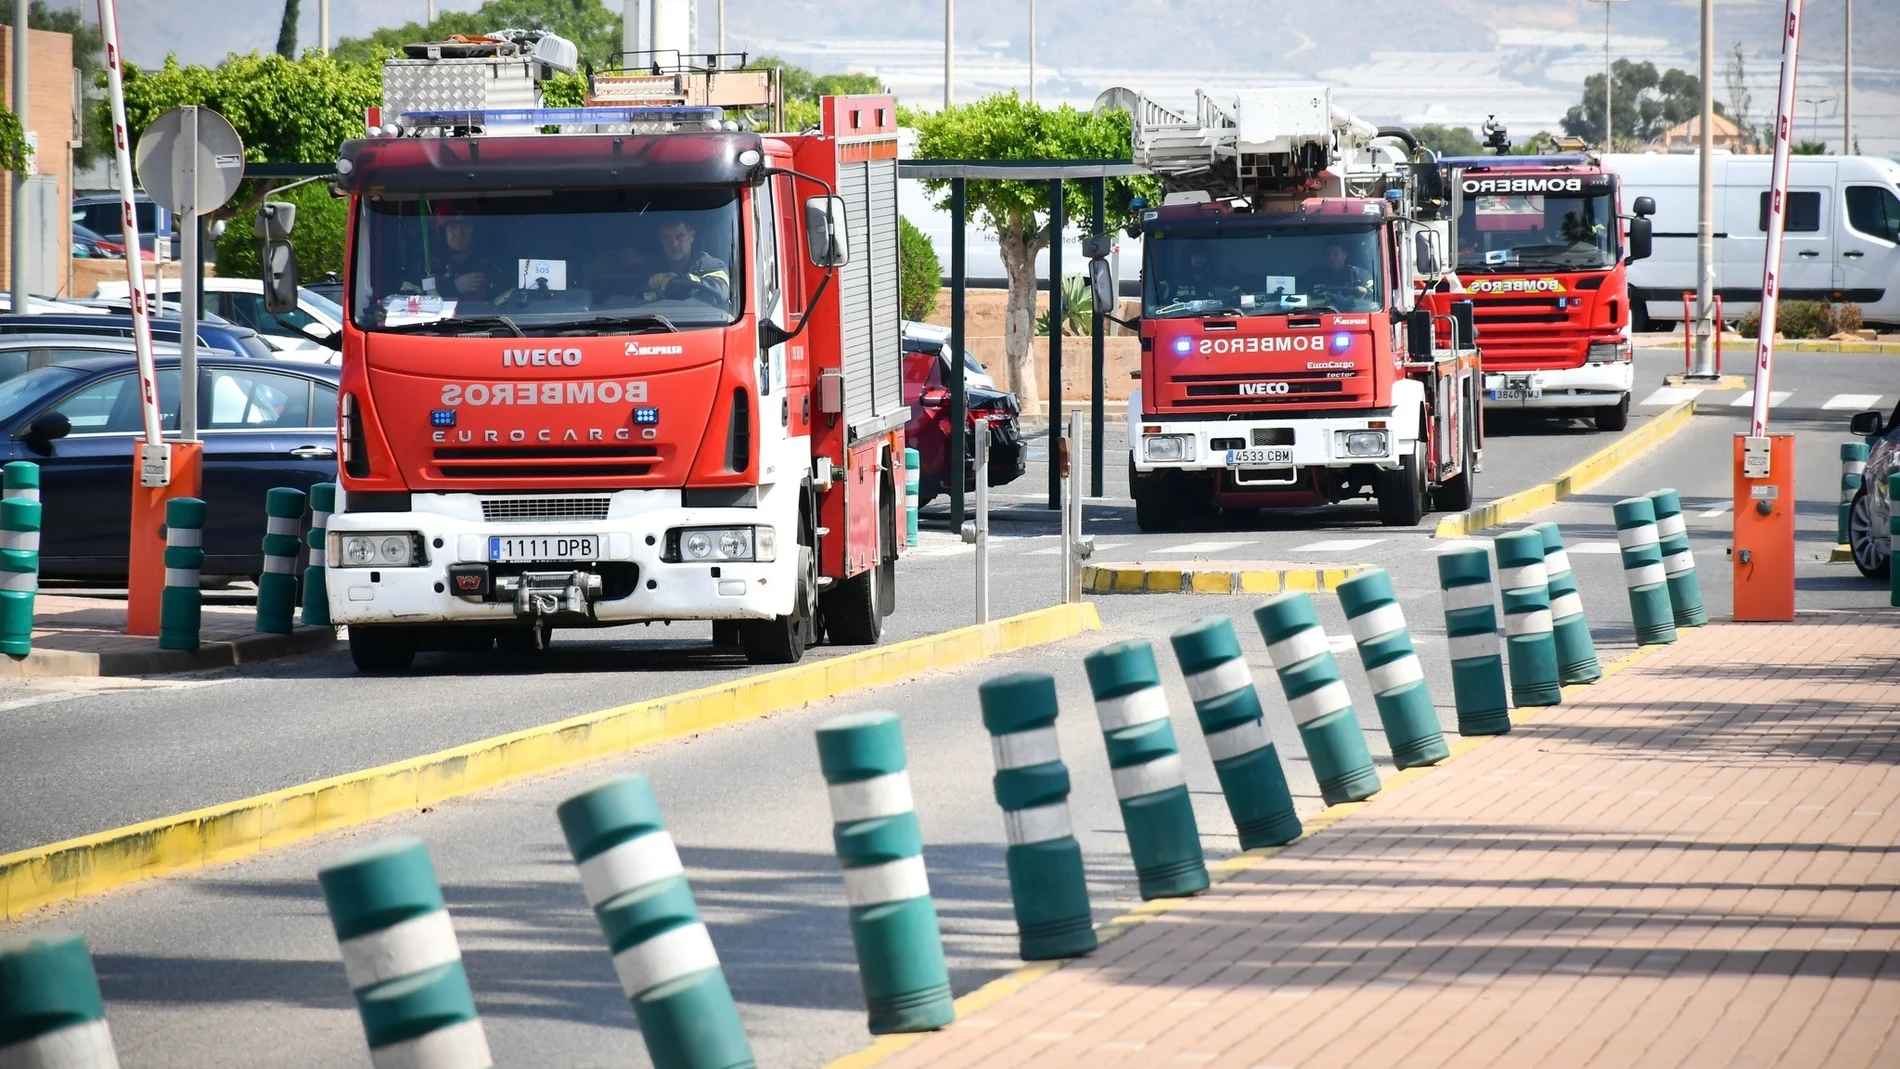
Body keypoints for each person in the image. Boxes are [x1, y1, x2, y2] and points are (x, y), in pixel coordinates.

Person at [643, 218, 731, 304]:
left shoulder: (712, 266)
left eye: (680, 236)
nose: (674, 244)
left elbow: (721, 289)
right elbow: (633, 295)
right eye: (667, 238)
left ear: (691, 236)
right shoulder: (651, 267)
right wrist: (651, 284)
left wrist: (680, 279)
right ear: (661, 240)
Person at [1304, 238, 1375, 301]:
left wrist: (1365, 291)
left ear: (1344, 255)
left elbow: (1375, 293)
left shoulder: (1360, 275)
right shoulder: (1316, 278)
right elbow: (1306, 298)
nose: (1332, 257)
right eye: (1328, 254)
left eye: (1335, 254)